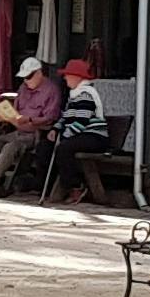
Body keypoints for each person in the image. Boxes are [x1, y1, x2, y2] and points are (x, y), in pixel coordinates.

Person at [0, 56, 64, 196]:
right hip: (18, 130)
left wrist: (30, 119)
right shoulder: (23, 88)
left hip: (35, 133)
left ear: (39, 73)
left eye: (29, 76)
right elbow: (15, 112)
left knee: (10, 147)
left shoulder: (51, 90)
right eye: (24, 77)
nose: (26, 80)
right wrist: (2, 116)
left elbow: (50, 118)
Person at [51, 59, 112, 204]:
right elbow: (66, 116)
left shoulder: (86, 94)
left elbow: (81, 122)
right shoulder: (74, 95)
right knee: (47, 146)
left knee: (64, 148)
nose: (65, 78)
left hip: (94, 137)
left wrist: (66, 135)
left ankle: (75, 186)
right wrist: (55, 129)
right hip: (81, 134)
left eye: (68, 75)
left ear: (77, 77)